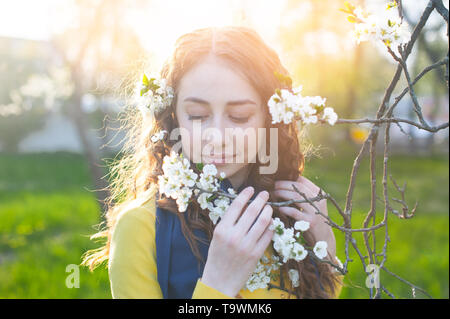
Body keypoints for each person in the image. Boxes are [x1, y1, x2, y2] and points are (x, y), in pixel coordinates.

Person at [82, 26, 343, 299]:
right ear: (174, 116)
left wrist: (324, 244)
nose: (217, 137)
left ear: (270, 117)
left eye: (239, 116)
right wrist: (218, 284)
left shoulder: (289, 210)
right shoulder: (142, 228)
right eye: (197, 115)